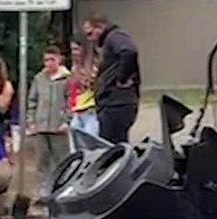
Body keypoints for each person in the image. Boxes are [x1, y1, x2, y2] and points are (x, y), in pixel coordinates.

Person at [82, 14, 141, 143]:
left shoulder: (115, 37)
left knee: (111, 145)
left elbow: (129, 51)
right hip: (111, 102)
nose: (90, 39)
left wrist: (121, 78)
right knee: (112, 143)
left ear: (100, 27)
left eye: (90, 33)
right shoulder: (109, 42)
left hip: (116, 102)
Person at [26, 45, 73, 202]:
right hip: (41, 126)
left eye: (52, 60)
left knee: (62, 160)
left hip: (58, 126)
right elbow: (32, 100)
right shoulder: (39, 78)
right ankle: (44, 192)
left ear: (59, 60)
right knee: (42, 161)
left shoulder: (67, 78)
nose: (48, 63)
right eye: (46, 60)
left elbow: (70, 101)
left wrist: (67, 120)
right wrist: (31, 121)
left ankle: (63, 189)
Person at [66, 35, 100, 146]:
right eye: (72, 49)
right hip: (77, 111)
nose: (74, 53)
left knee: (89, 144)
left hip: (91, 110)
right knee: (75, 147)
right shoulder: (74, 68)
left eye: (76, 49)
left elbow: (95, 85)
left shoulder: (94, 65)